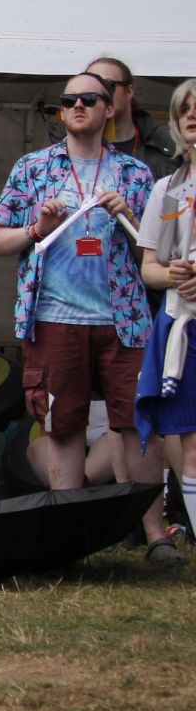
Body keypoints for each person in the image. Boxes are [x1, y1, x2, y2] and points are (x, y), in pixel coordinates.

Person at [0, 69, 183, 567]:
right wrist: (36, 228)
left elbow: (159, 254)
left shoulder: (136, 175)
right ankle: (67, 540)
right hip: (53, 317)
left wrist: (130, 217)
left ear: (110, 109)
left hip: (125, 319)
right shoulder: (33, 167)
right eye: (69, 99)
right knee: (63, 425)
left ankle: (154, 535)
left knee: (137, 424)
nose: (77, 106)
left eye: (89, 99)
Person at [134, 79, 196, 529]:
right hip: (182, 327)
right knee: (188, 440)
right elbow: (149, 268)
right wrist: (174, 276)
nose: (192, 116)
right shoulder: (168, 189)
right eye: (184, 110)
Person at [86, 56, 179, 180]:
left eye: (108, 85)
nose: (99, 94)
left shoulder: (170, 144)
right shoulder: (70, 148)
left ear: (129, 92)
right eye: (91, 89)